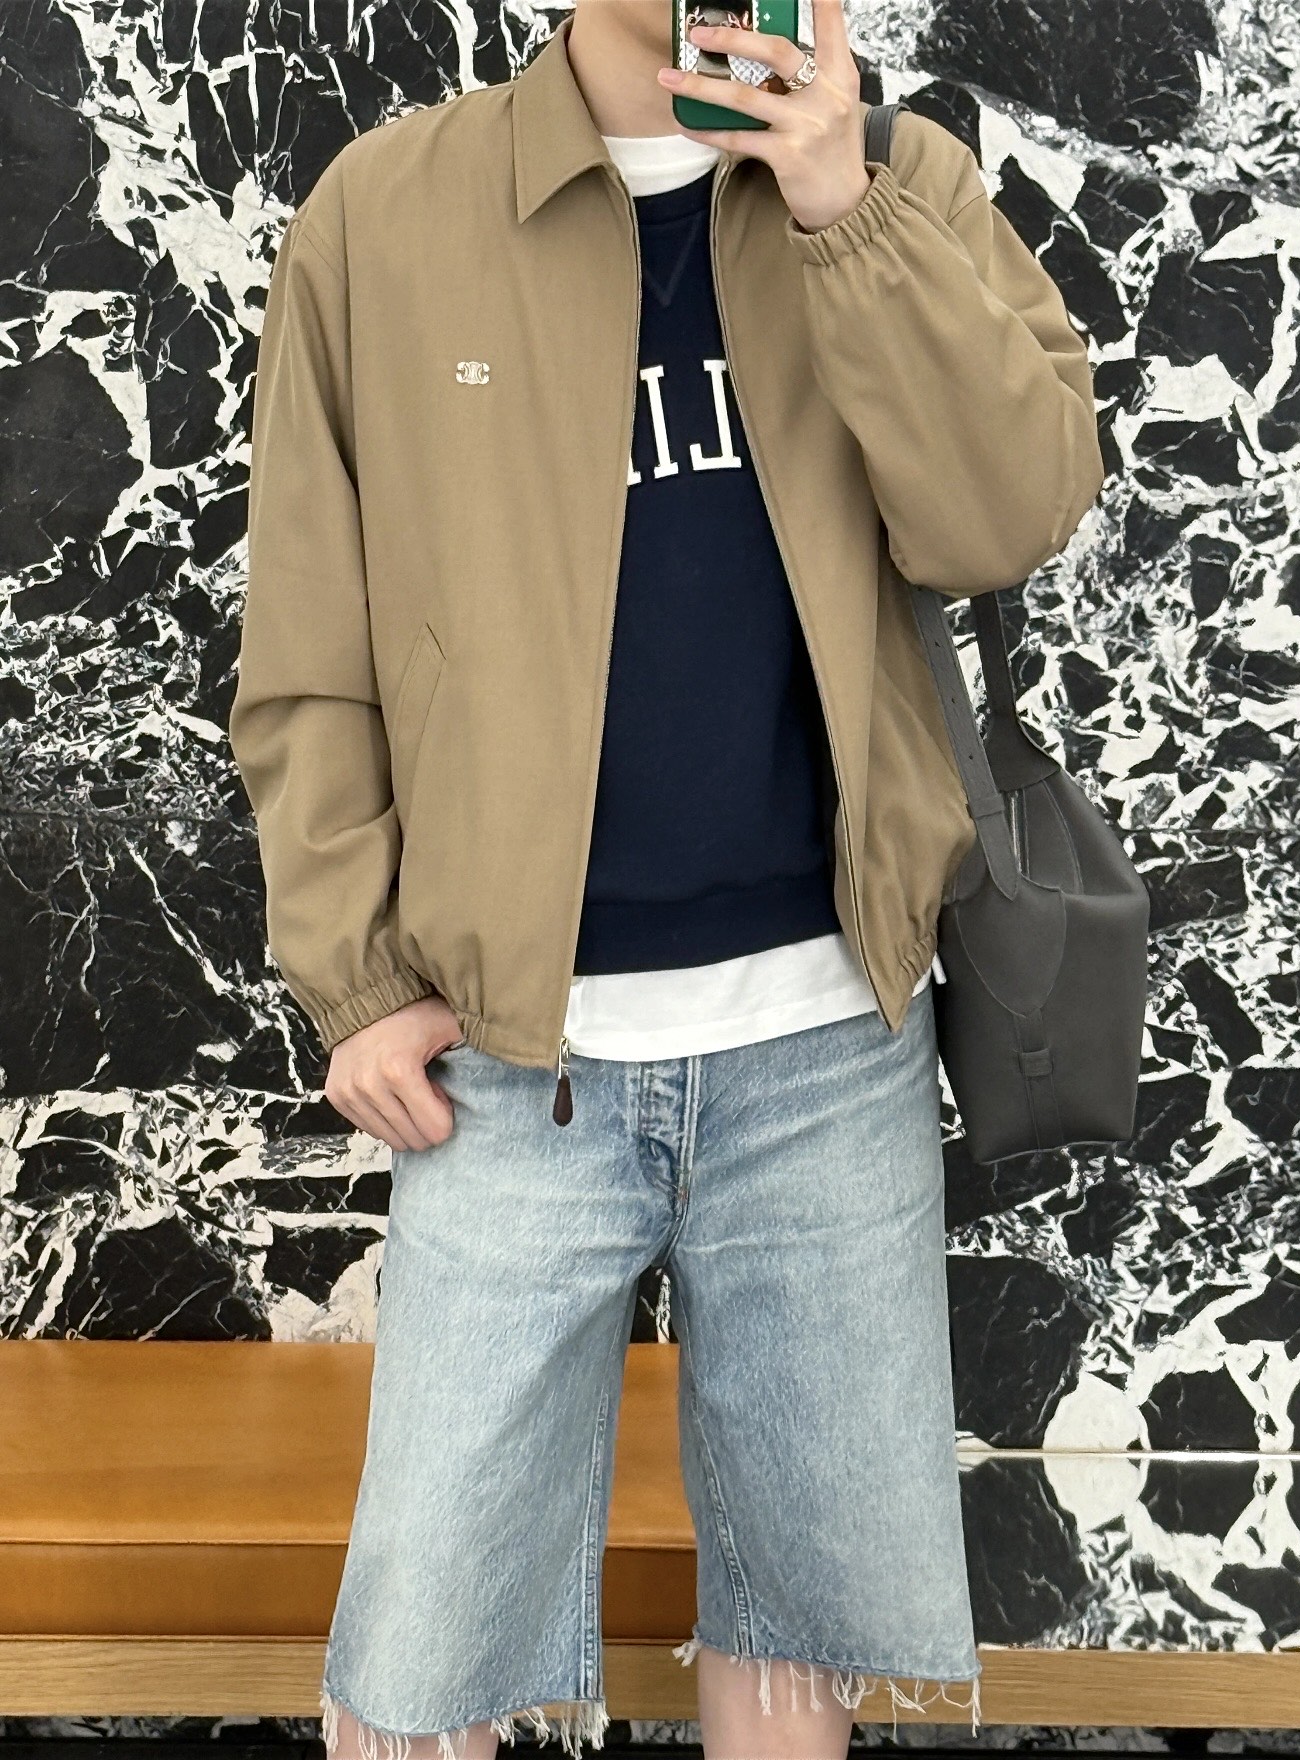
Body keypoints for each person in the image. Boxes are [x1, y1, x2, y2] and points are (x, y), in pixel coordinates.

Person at [229, 0, 1104, 1755]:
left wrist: (844, 208)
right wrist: (354, 976)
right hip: (502, 1061)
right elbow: (311, 641)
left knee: (790, 1631)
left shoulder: (903, 179)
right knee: (423, 1649)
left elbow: (1008, 515)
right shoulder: (386, 213)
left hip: (830, 1043)